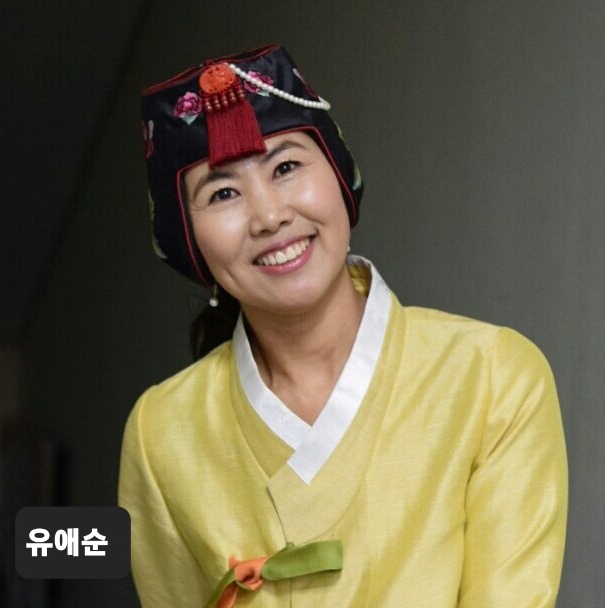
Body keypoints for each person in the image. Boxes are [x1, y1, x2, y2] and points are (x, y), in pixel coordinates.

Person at [119, 44, 567, 607]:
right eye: (223, 192)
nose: (270, 217)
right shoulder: (161, 432)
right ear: (189, 241)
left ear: (339, 177)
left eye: (286, 167)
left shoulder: (492, 377)